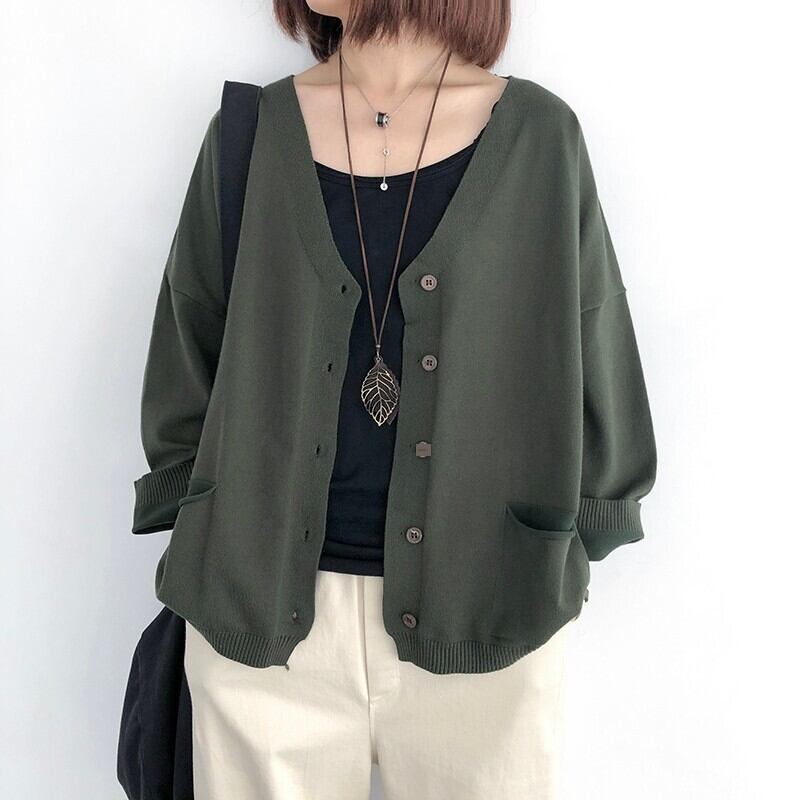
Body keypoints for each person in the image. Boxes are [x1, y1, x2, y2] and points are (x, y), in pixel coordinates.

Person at [131, 1, 657, 797]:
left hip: (490, 617)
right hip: (257, 625)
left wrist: (576, 532)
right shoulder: (250, 133)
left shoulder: (541, 138)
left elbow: (595, 335)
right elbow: (187, 342)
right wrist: (203, 522)